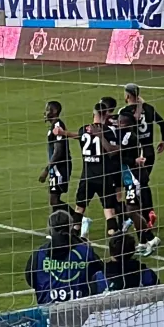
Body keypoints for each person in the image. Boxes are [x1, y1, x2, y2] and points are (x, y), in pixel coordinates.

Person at [60, 102, 120, 240]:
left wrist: (64, 133)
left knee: (79, 209)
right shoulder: (108, 131)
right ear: (106, 115)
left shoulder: (83, 129)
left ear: (93, 114)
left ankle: (73, 240)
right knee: (109, 212)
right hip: (104, 176)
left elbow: (79, 136)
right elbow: (112, 152)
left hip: (87, 176)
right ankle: (116, 242)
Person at [25, 209, 106, 305]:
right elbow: (101, 271)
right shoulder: (85, 251)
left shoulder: (39, 254)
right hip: (80, 308)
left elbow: (31, 279)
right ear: (70, 227)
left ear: (50, 229)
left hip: (48, 308)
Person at [119, 82, 164, 228]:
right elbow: (162, 123)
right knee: (143, 182)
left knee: (134, 184)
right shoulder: (149, 108)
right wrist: (163, 140)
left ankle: (140, 216)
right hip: (149, 152)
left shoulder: (124, 111)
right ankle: (148, 212)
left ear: (127, 95)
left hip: (136, 153)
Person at [117, 112, 161, 256]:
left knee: (131, 211)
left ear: (126, 124)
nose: (117, 124)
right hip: (130, 178)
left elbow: (120, 155)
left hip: (134, 179)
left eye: (120, 122)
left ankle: (151, 238)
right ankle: (142, 242)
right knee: (136, 210)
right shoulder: (126, 135)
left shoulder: (129, 136)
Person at [38, 100, 73, 213]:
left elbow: (59, 152)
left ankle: (79, 219)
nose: (45, 112)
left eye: (47, 110)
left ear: (55, 111)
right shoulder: (54, 126)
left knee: (54, 200)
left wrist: (46, 170)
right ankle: (71, 220)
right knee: (54, 200)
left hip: (60, 168)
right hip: (55, 168)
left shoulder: (58, 126)